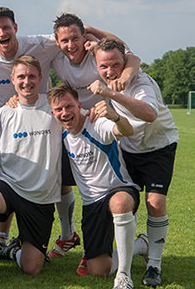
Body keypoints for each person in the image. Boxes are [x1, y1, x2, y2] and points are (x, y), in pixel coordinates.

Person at [48, 13, 141, 270]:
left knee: (115, 192)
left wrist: (93, 31)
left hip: (98, 121)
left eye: (75, 37)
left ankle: (125, 265)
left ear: (83, 36)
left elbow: (128, 54)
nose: (70, 45)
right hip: (73, 126)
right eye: (64, 40)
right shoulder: (55, 56)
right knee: (97, 271)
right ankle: (77, 236)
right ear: (57, 42)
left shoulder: (96, 52)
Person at [89, 38, 179, 287]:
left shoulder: (141, 83)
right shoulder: (109, 72)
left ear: (125, 60)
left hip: (158, 147)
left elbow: (149, 115)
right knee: (124, 203)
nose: (109, 71)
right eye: (103, 67)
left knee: (156, 203)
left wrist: (111, 93)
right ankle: (137, 246)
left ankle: (154, 265)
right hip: (127, 148)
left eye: (115, 65)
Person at [0, 55, 62, 286]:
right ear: (12, 79)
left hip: (40, 197)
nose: (27, 81)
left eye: (32, 76)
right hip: (9, 186)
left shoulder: (54, 107)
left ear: (40, 78)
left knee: (31, 268)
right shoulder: (6, 112)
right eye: (21, 76)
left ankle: (12, 250)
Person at [49, 83, 148, 289]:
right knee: (98, 270)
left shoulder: (96, 123)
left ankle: (124, 276)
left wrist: (116, 117)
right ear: (53, 113)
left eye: (69, 107)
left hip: (119, 189)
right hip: (92, 204)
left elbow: (126, 131)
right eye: (59, 109)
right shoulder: (59, 132)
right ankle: (141, 244)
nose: (65, 113)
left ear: (79, 105)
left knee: (120, 203)